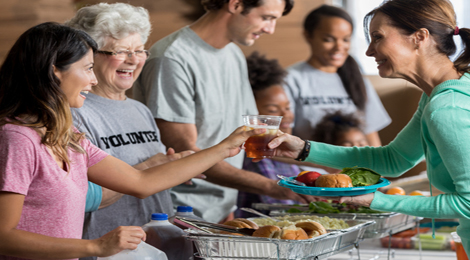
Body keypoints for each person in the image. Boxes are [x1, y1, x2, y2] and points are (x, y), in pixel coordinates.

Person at [0, 22, 263, 260]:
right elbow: (4, 237)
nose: (93, 80)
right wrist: (94, 247)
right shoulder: (17, 139)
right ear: (54, 70)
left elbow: (141, 182)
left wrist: (225, 148)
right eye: (88, 68)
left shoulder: (68, 139)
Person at [267, 0, 470, 255]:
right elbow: (393, 159)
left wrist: (378, 200)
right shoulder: (441, 95)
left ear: (419, 37)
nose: (369, 51)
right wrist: (303, 149)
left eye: (378, 37)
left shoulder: (446, 108)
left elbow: (468, 203)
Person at [134, 0, 312, 223]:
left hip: (221, 211)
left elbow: (253, 136)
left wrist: (327, 167)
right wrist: (274, 187)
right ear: (236, 5)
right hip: (176, 212)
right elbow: (187, 152)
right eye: (266, 17)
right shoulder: (172, 58)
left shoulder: (234, 54)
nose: (270, 29)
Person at [65, 4, 194, 259]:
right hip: (104, 252)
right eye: (121, 51)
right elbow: (79, 196)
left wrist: (173, 168)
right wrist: (151, 167)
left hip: (152, 250)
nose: (133, 60)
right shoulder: (74, 113)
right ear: (89, 55)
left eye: (139, 50)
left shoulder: (140, 110)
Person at [283, 4, 391, 147]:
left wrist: (377, 169)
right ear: (308, 36)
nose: (339, 47)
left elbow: (371, 136)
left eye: (346, 39)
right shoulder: (291, 79)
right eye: (329, 39)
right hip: (308, 166)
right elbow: (284, 138)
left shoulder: (357, 80)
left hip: (352, 168)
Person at [236, 52, 302, 218]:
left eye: (287, 107)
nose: (285, 115)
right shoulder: (256, 160)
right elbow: (284, 211)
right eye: (273, 110)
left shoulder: (287, 157)